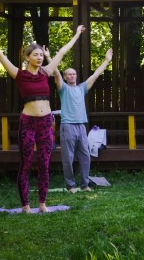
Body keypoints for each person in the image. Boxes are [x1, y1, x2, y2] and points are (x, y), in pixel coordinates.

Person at [0, 22, 85, 213]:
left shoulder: (46, 73)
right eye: (36, 55)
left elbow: (63, 52)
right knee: (26, 163)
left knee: (44, 164)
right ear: (27, 57)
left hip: (46, 122)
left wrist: (77, 34)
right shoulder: (19, 74)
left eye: (41, 55)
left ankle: (42, 204)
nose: (39, 57)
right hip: (28, 123)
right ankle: (25, 206)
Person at [45, 48, 113, 194]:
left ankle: (84, 184)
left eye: (74, 74)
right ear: (65, 76)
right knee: (67, 157)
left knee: (85, 155)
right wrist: (49, 57)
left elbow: (95, 75)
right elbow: (55, 73)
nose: (72, 76)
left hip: (81, 126)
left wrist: (107, 60)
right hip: (67, 126)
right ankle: (70, 186)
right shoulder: (63, 88)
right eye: (69, 74)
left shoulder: (82, 88)